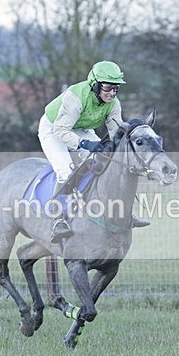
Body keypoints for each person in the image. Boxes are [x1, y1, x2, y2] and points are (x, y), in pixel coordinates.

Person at [38, 60, 148, 243]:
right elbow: (61, 130)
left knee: (107, 162)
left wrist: (115, 148)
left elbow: (115, 132)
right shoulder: (76, 97)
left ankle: (124, 212)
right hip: (54, 128)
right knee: (65, 170)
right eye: (107, 88)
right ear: (95, 85)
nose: (112, 93)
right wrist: (85, 144)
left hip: (80, 128)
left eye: (116, 88)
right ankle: (58, 220)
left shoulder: (114, 103)